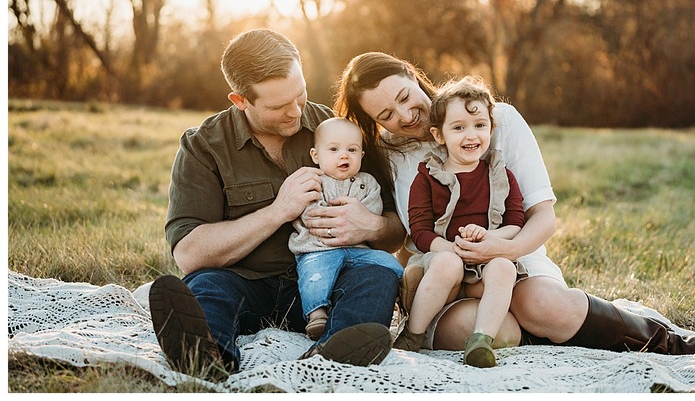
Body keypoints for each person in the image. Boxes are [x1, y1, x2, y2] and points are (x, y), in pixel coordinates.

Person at [334, 51, 695, 356]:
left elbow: (543, 217)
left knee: (542, 305)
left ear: (412, 73)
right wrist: (377, 228)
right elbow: (401, 234)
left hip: (514, 259)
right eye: (386, 114)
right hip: (446, 280)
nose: (405, 115)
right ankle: (541, 331)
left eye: (405, 97)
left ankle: (668, 343)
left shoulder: (497, 120)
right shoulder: (386, 155)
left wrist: (501, 249)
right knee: (502, 332)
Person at [148, 29, 407, 381]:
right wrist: (277, 211)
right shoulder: (204, 147)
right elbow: (190, 254)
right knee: (207, 286)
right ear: (240, 100)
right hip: (245, 284)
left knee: (377, 274)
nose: (295, 111)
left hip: (329, 285)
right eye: (278, 106)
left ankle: (333, 354)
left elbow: (396, 232)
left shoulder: (335, 131)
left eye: (300, 95)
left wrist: (371, 226)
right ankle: (207, 356)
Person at [394, 76, 529, 368]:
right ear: (439, 135)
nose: (471, 135)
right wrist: (453, 249)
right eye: (458, 128)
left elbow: (516, 220)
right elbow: (420, 231)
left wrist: (490, 239)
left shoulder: (500, 174)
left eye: (479, 125)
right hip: (443, 262)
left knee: (505, 267)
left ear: (491, 129)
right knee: (448, 263)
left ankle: (480, 341)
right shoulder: (427, 177)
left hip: (485, 263)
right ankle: (412, 335)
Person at [289, 117, 404, 341]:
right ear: (315, 155)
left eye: (352, 150)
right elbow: (309, 212)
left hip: (359, 249)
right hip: (319, 248)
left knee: (389, 264)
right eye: (334, 149)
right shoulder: (313, 180)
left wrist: (358, 217)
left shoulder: (368, 182)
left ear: (361, 155)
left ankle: (407, 292)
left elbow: (373, 209)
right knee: (314, 274)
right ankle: (316, 313)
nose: (344, 156)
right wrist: (336, 216)